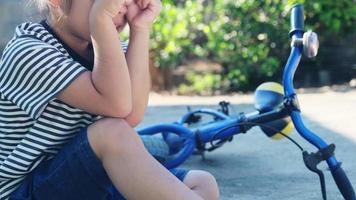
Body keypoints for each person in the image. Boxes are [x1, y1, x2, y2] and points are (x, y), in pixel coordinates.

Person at [0, 0, 219, 199]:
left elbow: (132, 114)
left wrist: (141, 29)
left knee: (202, 183)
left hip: (85, 178)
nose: (119, 6)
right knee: (111, 133)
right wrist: (101, 20)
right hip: (25, 190)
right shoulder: (28, 52)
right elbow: (118, 108)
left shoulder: (107, 53)